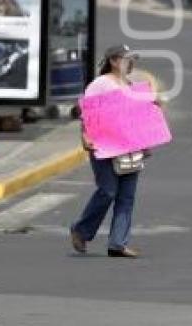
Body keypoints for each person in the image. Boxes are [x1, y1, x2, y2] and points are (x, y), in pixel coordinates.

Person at [70, 45, 149, 258]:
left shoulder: (130, 85)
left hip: (129, 146)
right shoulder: (101, 84)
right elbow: (87, 111)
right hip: (104, 145)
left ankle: (118, 244)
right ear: (114, 61)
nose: (131, 63)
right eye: (127, 59)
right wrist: (85, 136)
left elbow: (137, 118)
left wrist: (146, 141)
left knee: (127, 196)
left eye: (133, 59)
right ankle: (81, 230)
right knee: (108, 191)